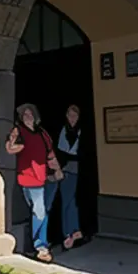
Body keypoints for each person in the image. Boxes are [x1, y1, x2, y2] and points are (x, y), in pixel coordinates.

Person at [6, 103, 63, 263]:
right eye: (25, 114)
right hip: (29, 178)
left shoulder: (42, 133)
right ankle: (41, 247)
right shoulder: (20, 131)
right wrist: (13, 140)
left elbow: (50, 153)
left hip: (47, 178)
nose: (28, 117)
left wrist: (58, 170)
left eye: (30, 114)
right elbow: (11, 149)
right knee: (39, 211)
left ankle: (41, 243)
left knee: (44, 211)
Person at [55, 104, 83, 250]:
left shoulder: (81, 131)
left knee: (73, 201)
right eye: (70, 115)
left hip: (79, 171)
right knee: (67, 201)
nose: (72, 118)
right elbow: (61, 152)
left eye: (75, 116)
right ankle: (68, 232)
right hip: (66, 170)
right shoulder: (63, 131)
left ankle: (74, 230)